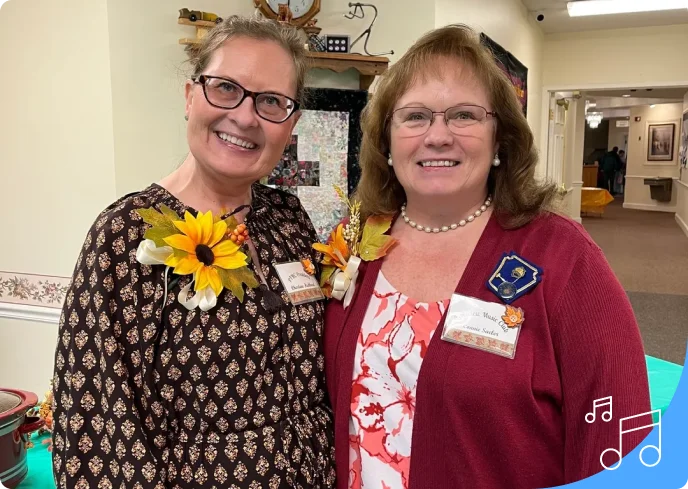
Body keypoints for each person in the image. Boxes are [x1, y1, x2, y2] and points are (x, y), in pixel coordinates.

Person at [321, 25, 651, 489]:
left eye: (464, 116)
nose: (437, 136)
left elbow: (622, 441)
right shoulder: (354, 239)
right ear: (385, 142)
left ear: (500, 139)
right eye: (414, 116)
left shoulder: (564, 258)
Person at [51, 16, 335, 489]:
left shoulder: (289, 220)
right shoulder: (128, 237)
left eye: (271, 102)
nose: (245, 117)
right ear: (190, 96)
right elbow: (98, 430)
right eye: (226, 88)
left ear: (292, 125)